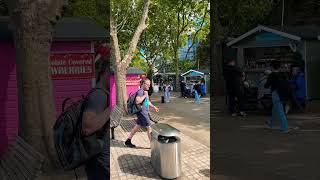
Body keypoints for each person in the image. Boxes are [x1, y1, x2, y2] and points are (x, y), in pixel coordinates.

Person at [82, 58, 110, 180]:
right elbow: (87, 127)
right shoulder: (98, 95)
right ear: (104, 73)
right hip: (99, 164)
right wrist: (112, 108)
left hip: (102, 162)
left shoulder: (106, 94)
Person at [124, 78, 160, 147]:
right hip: (142, 113)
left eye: (150, 85)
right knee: (149, 128)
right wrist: (144, 95)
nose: (149, 86)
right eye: (148, 85)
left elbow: (146, 102)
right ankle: (153, 146)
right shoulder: (141, 91)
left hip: (144, 112)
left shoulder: (144, 91)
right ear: (143, 84)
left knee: (137, 127)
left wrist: (153, 107)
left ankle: (128, 141)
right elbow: (137, 101)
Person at [264, 62, 290, 133]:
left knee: (280, 111)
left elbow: (266, 86)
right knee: (275, 110)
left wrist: (267, 76)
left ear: (272, 67)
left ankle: (285, 128)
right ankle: (270, 123)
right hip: (283, 94)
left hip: (275, 94)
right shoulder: (282, 74)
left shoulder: (271, 75)